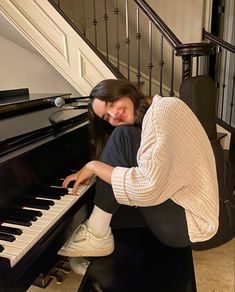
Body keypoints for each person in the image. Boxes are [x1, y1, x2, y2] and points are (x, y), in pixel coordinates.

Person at [59, 79, 219, 260]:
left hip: (186, 221)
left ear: (125, 92)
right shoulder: (151, 119)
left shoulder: (163, 109)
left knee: (122, 135)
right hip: (176, 211)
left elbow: (149, 186)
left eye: (112, 103)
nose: (114, 115)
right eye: (106, 117)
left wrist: (94, 166)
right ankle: (93, 249)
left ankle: (96, 235)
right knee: (113, 215)